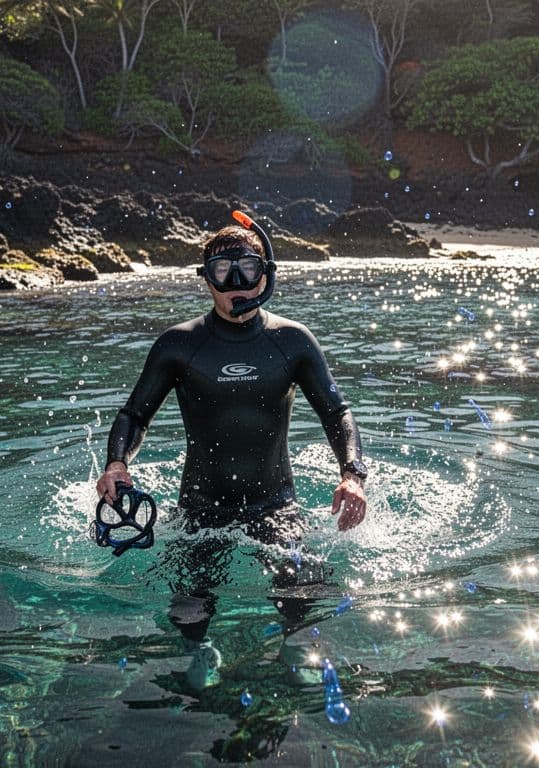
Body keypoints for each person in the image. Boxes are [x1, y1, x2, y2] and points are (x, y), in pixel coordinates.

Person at [95, 211, 367, 689]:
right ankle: (201, 656)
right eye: (222, 273)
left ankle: (290, 652)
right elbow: (134, 415)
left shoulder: (292, 341)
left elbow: (336, 411)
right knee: (188, 606)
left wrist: (352, 473)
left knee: (301, 592)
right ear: (206, 280)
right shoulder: (179, 345)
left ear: (266, 275)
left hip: (274, 504)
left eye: (248, 270)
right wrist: (117, 462)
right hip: (200, 507)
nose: (236, 284)